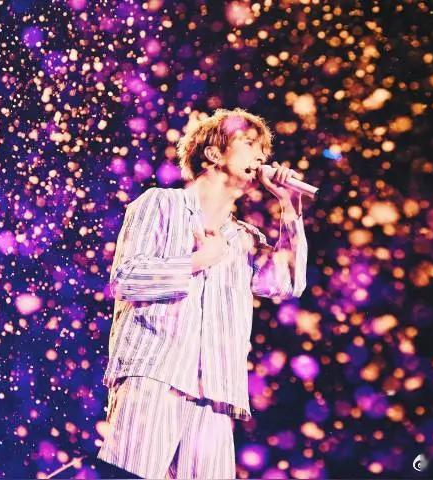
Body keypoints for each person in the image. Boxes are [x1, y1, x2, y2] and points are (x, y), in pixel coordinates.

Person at [96, 108, 308, 479]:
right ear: (213, 153)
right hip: (154, 375)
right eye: (249, 144)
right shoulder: (159, 203)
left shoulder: (244, 238)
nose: (261, 157)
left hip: (216, 389)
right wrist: (199, 260)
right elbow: (126, 279)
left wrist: (290, 205)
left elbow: (288, 283)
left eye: (264, 150)